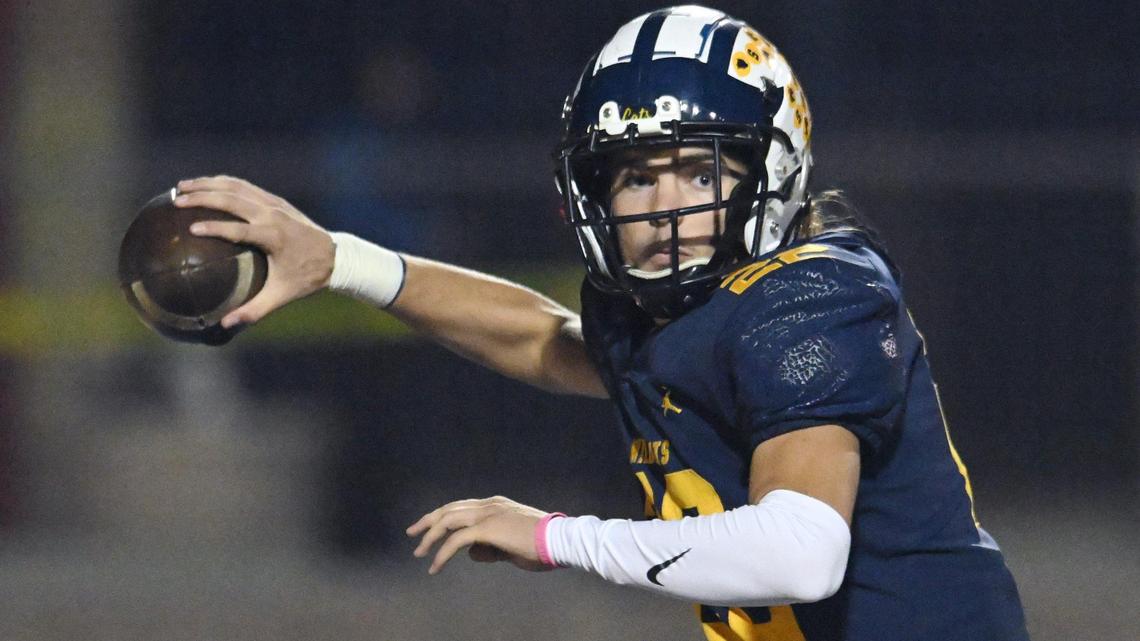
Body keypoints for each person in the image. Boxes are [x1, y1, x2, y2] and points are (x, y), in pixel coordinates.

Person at [174, 6, 1029, 640]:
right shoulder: (672, 307)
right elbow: (542, 337)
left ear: (772, 171)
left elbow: (801, 549)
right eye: (634, 176)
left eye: (699, 173)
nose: (662, 209)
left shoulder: (807, 301)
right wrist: (340, 260)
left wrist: (556, 537)